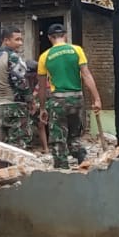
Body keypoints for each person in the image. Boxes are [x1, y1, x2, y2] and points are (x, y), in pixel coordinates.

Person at [36, 23, 102, 168]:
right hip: (77, 98)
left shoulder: (44, 57)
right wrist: (97, 98)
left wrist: (42, 108)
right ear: (65, 35)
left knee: (58, 137)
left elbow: (41, 87)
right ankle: (82, 158)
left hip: (58, 100)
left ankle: (62, 169)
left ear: (49, 38)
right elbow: (86, 75)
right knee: (75, 133)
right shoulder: (76, 50)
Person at [0, 28, 36, 150]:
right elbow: (21, 82)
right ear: (6, 40)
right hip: (14, 106)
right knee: (18, 145)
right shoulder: (13, 57)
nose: (20, 43)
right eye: (17, 39)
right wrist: (30, 100)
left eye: (21, 40)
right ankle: (17, 169)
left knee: (0, 146)